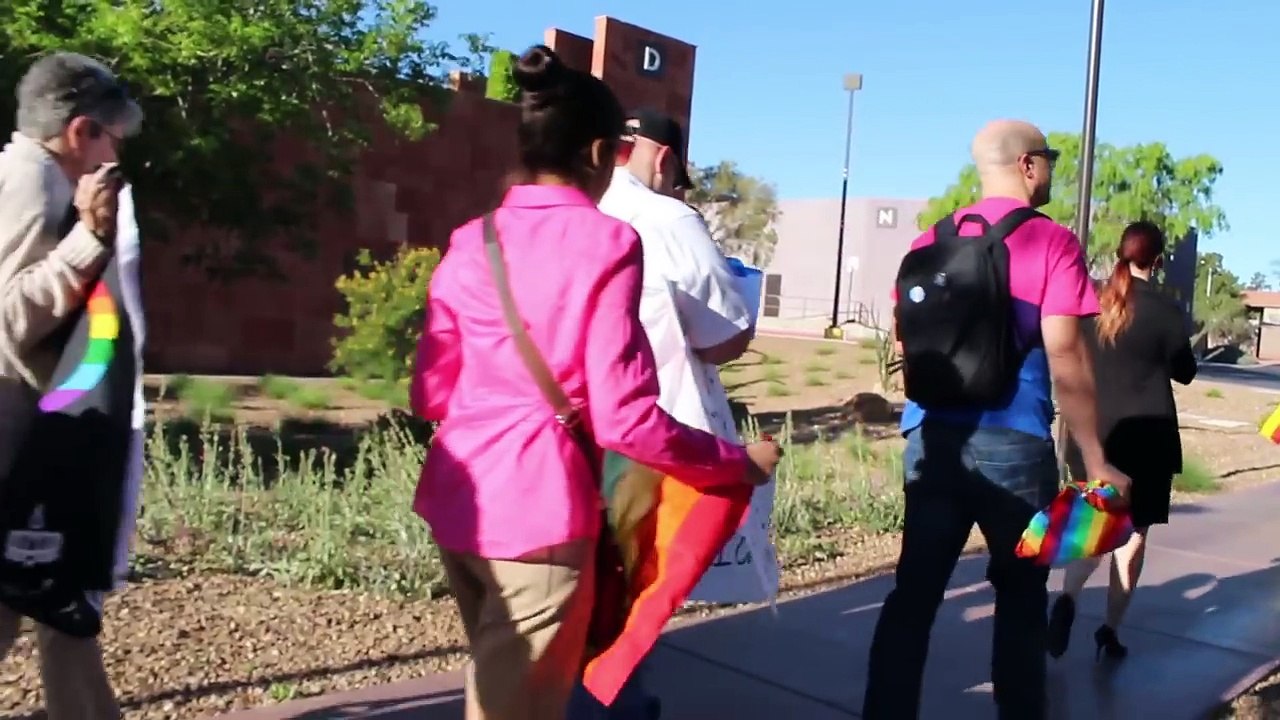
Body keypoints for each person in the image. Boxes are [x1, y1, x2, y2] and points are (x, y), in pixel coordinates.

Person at [408, 45, 782, 720]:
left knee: (500, 693)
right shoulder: (606, 243)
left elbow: (429, 392)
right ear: (602, 152)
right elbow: (626, 420)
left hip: (456, 500)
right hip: (540, 516)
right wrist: (736, 463)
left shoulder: (473, 239)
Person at [862, 119, 1132, 720]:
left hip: (930, 438)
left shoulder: (927, 242)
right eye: (1051, 160)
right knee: (1019, 598)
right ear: (1029, 165)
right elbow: (1065, 352)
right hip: (1013, 442)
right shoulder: (1051, 242)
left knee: (914, 594)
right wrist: (1094, 457)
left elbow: (906, 340)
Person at [566, 112, 756, 720]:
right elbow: (726, 333)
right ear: (665, 159)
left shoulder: (565, 212)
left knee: (572, 599)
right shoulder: (668, 218)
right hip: (646, 434)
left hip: (558, 436)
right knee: (631, 602)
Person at [0, 51, 142, 720]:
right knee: (52, 603)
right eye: (114, 137)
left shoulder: (46, 178)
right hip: (13, 434)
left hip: (33, 436)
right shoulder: (29, 181)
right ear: (83, 131)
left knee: (58, 607)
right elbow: (8, 315)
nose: (118, 154)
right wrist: (88, 238)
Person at [1048, 221, 1197, 661]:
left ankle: (1068, 599)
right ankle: (1110, 632)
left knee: (1095, 525)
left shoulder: (1093, 299)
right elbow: (1185, 371)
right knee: (1133, 537)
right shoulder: (1165, 310)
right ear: (1159, 260)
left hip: (1096, 435)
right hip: (1148, 439)